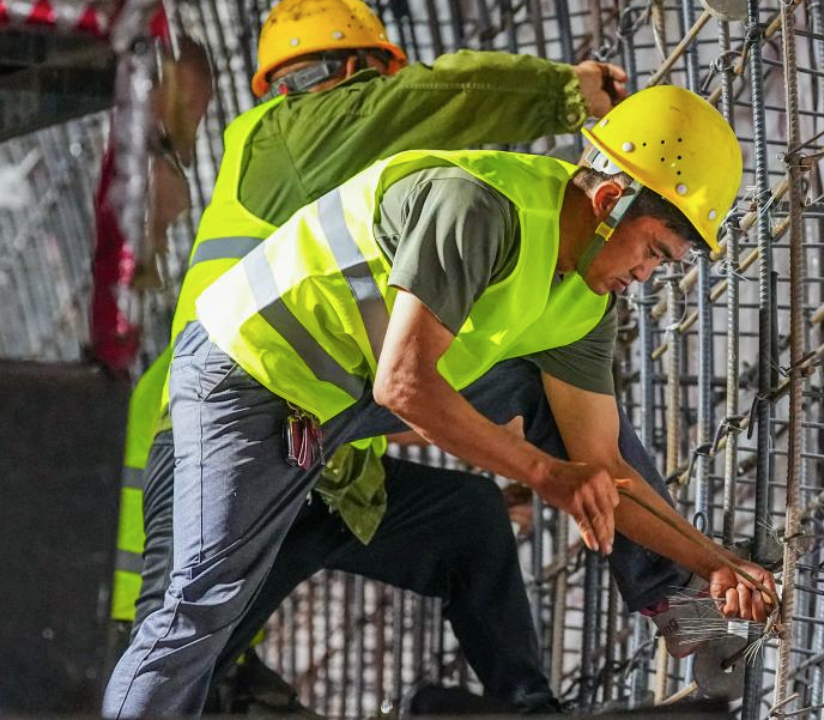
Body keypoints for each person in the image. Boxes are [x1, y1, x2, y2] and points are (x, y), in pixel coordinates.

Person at [102, 84, 777, 718]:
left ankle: (678, 604)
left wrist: (712, 562)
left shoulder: (587, 305)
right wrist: (542, 474)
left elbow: (604, 469)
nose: (647, 275)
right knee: (200, 605)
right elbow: (405, 385)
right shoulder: (478, 207)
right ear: (607, 204)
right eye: (654, 251)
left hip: (341, 401)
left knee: (537, 419)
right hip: (246, 380)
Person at [109, 0, 632, 709]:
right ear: (351, 73)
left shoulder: (340, 196)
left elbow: (400, 373)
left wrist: (494, 443)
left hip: (321, 459)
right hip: (234, 445)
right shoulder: (287, 132)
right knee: (188, 638)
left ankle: (533, 707)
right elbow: (426, 102)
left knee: (469, 520)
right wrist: (570, 93)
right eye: (372, 85)